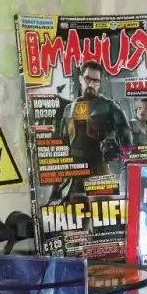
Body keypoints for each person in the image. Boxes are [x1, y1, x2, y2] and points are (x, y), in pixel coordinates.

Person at [50, 61, 132, 205]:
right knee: (76, 217)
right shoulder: (69, 110)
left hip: (98, 171)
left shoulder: (109, 107)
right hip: (75, 175)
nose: (91, 84)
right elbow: (62, 147)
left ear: (100, 83)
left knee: (104, 215)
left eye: (96, 81)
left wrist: (117, 147)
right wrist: (56, 185)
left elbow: (126, 137)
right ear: (81, 78)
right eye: (88, 79)